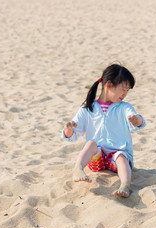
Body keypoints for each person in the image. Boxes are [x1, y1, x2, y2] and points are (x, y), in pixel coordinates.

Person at [61, 63, 146, 197]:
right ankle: (78, 169)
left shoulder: (124, 107)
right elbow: (72, 133)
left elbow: (137, 120)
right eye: (123, 88)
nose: (125, 94)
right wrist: (69, 129)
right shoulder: (88, 108)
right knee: (91, 144)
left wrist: (136, 119)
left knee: (122, 157)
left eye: (127, 90)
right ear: (108, 85)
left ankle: (125, 185)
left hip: (116, 159)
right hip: (97, 160)